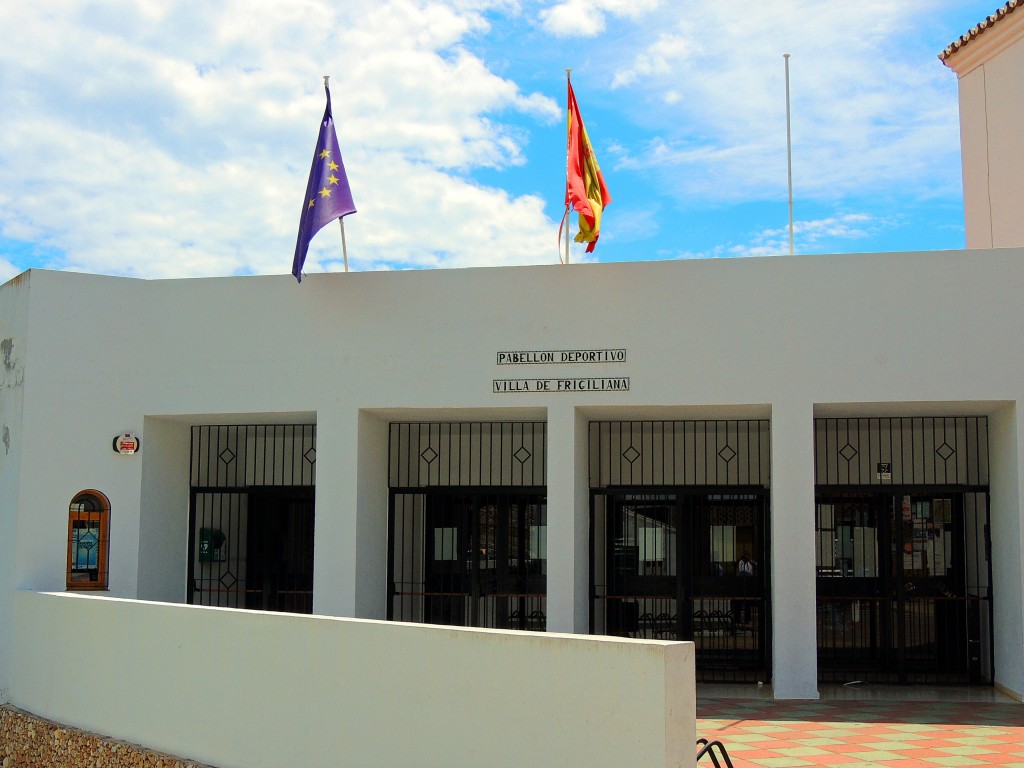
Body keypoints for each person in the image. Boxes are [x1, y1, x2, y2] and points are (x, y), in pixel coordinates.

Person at [735, 551, 756, 627]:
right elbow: (740, 570)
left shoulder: (751, 563)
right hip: (741, 584)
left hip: (748, 583)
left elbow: (754, 567)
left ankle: (747, 619)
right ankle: (738, 620)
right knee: (739, 603)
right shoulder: (740, 562)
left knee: (747, 604)